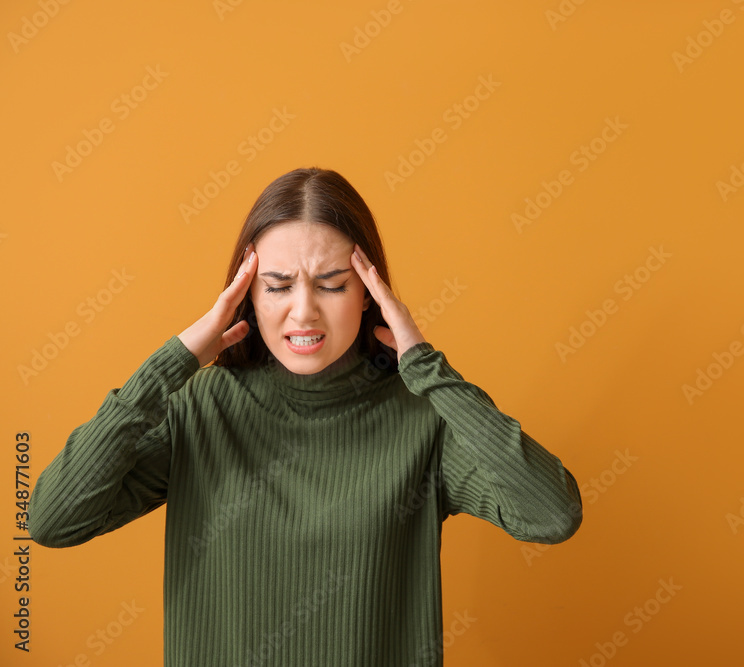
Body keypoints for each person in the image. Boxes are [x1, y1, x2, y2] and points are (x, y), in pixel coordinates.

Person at [28, 167, 584, 666]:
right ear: (247, 295)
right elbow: (53, 519)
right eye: (277, 286)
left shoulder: (424, 417)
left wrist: (430, 369)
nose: (303, 311)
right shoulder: (202, 407)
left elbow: (552, 514)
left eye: (331, 285)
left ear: (370, 294)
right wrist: (170, 364)